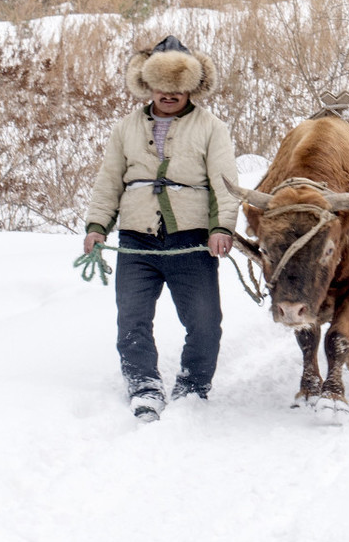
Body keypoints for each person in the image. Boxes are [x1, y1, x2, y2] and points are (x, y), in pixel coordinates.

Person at [83, 35, 239, 421]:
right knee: (132, 319)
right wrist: (97, 225)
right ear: (147, 85)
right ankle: (144, 385)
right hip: (137, 240)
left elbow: (225, 183)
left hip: (191, 240)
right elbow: (109, 181)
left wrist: (222, 227)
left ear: (191, 87)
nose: (169, 95)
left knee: (204, 322)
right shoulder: (125, 128)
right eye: (161, 87)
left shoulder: (211, 127)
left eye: (177, 88)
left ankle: (193, 385)